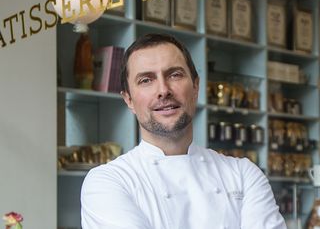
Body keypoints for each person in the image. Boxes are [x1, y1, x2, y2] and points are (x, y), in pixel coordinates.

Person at [81, 33, 287, 229]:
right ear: (128, 100)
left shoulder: (244, 174)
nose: (163, 90)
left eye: (175, 75)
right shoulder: (108, 181)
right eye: (146, 80)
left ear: (196, 87)